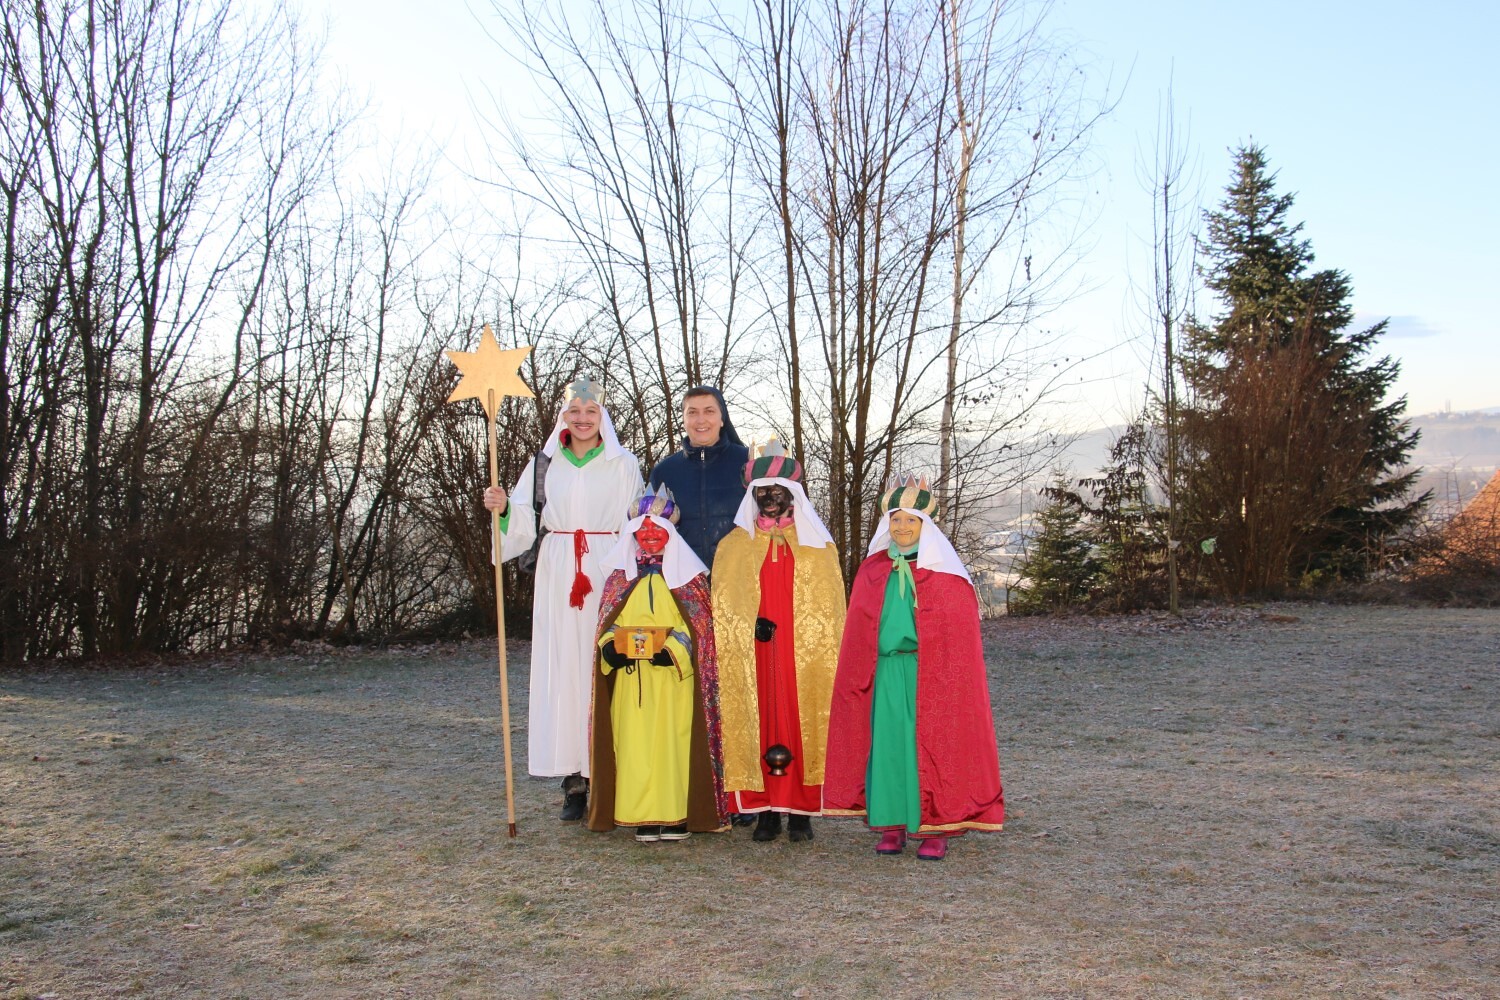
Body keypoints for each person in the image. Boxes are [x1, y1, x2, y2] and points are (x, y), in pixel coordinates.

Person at [483, 379, 643, 821]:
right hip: (559, 571)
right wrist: (503, 507)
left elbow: (637, 519)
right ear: (563, 416)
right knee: (563, 665)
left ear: (602, 416)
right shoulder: (544, 463)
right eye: (574, 411)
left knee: (605, 663)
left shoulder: (623, 463)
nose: (582, 418)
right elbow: (522, 517)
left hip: (607, 566)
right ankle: (574, 778)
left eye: (591, 411)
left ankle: (609, 770)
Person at [823, 476, 1004, 861]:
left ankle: (936, 827)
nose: (902, 527)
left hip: (931, 673)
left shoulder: (945, 574)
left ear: (926, 525)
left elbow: (959, 637)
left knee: (931, 748)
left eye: (911, 520)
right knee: (888, 747)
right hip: (885, 672)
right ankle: (891, 823)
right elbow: (858, 630)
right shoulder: (873, 570)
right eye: (896, 520)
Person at [712, 440, 845, 843]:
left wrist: (803, 634)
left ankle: (801, 811)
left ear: (793, 496)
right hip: (756, 654)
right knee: (762, 721)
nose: (770, 498)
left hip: (800, 657)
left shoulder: (818, 546)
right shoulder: (733, 546)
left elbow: (830, 610)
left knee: (800, 721)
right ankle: (767, 810)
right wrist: (748, 625)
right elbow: (725, 604)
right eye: (763, 492)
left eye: (778, 491)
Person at [587, 489, 730, 841]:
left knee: (674, 746)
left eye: (657, 529)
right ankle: (642, 816)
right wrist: (610, 649)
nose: (650, 535)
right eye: (643, 530)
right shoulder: (619, 578)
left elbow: (699, 629)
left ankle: (677, 814)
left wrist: (673, 651)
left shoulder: (690, 579)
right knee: (634, 748)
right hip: (631, 683)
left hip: (673, 683)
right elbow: (608, 624)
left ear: (670, 533)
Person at [648, 386, 750, 570]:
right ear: (684, 420)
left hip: (740, 575)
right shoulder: (664, 472)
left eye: (709, 411)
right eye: (692, 412)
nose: (701, 420)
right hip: (683, 578)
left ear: (722, 419)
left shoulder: (749, 463)